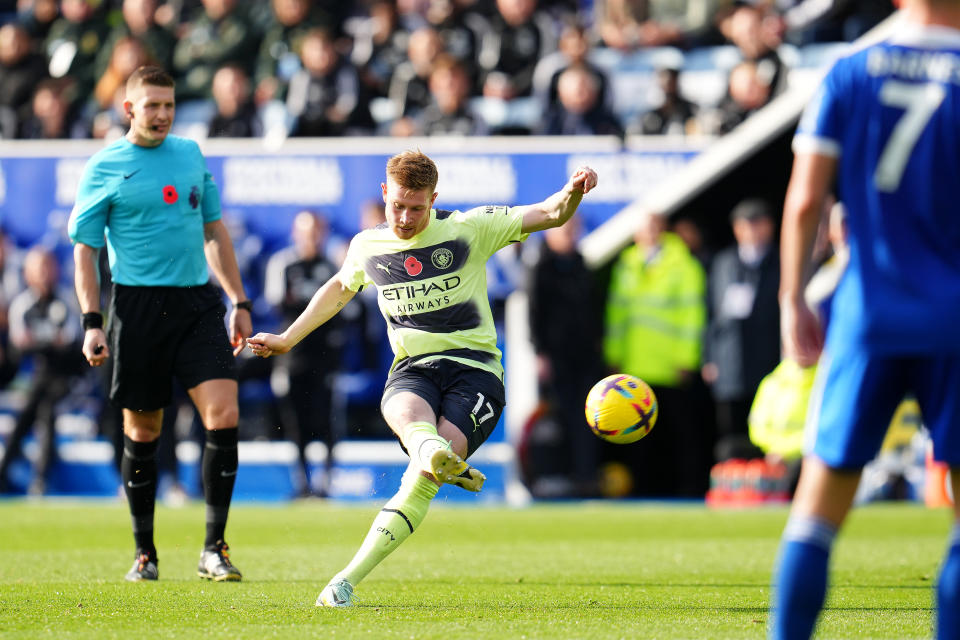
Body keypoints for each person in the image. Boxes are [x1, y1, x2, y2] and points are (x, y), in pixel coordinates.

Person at [246, 150, 598, 607]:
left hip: (475, 371)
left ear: (435, 199)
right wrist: (289, 338)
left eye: (417, 207)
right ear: (384, 194)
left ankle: (348, 575)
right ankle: (437, 455)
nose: (406, 218)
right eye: (398, 206)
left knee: (420, 479)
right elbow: (338, 288)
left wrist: (572, 191)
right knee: (406, 416)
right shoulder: (367, 246)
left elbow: (551, 213)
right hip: (414, 367)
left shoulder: (468, 229)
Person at [770, 0, 960, 637]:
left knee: (817, 512)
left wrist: (792, 299)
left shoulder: (850, 72)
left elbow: (804, 202)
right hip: (955, 320)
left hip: (867, 315)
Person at [67, 66, 253, 583]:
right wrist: (91, 321)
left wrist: (238, 299)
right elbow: (85, 251)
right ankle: (144, 552)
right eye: (152, 105)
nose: (162, 115)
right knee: (143, 428)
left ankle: (214, 548)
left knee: (223, 413)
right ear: (129, 109)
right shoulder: (105, 166)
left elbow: (213, 230)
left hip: (197, 305)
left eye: (168, 105)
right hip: (136, 309)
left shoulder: (190, 155)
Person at [604, 209, 708, 497]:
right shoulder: (626, 264)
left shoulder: (684, 265)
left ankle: (689, 489)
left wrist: (686, 359)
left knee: (680, 432)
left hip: (670, 365)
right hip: (634, 366)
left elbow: (692, 317)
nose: (648, 233)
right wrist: (614, 356)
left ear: (663, 229)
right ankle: (640, 490)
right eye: (643, 228)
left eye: (653, 227)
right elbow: (616, 316)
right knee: (634, 434)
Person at [263, 210, 343, 495]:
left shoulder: (334, 265)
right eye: (305, 232)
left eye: (315, 232)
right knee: (296, 423)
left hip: (326, 356)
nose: (310, 239)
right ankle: (302, 484)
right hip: (293, 355)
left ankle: (326, 484)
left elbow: (345, 308)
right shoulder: (283, 264)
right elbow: (277, 304)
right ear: (296, 234)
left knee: (328, 422)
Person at [702, 198, 780, 462]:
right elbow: (711, 313)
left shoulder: (782, 259)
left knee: (769, 420)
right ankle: (733, 478)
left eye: (759, 224)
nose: (753, 231)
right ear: (737, 229)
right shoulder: (723, 262)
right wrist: (709, 357)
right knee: (731, 424)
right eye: (746, 225)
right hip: (730, 356)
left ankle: (768, 480)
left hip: (769, 355)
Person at [0, 247, 83, 496]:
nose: (45, 274)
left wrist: (39, 343)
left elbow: (68, 346)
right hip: (35, 378)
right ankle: (8, 474)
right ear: (28, 274)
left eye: (48, 267)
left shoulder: (66, 301)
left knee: (46, 407)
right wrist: (48, 343)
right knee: (29, 413)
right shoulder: (23, 305)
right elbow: (18, 347)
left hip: (66, 378)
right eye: (39, 269)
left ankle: (40, 478)